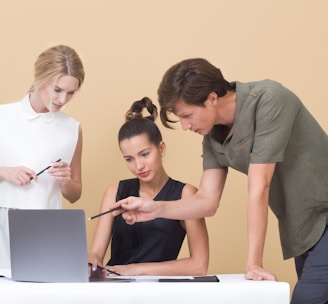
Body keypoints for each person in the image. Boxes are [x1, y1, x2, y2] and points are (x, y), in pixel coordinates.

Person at [115, 58, 328, 303]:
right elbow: (207, 201)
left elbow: (260, 186)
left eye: (187, 115)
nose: (185, 126)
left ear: (212, 98)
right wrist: (153, 209)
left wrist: (254, 263)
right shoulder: (213, 135)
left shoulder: (270, 99)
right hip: (304, 230)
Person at [88, 97, 209, 277]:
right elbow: (96, 253)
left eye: (144, 154)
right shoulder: (114, 193)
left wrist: (136, 270)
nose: (138, 166)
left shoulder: (186, 195)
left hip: (158, 292)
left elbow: (199, 265)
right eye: (129, 159)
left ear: (161, 149)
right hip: (114, 289)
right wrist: (91, 263)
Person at [0, 45, 85, 269]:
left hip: (46, 235)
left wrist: (66, 181)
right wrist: (5, 172)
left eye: (70, 93)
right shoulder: (3, 118)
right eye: (57, 89)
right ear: (40, 78)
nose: (63, 99)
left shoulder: (72, 129)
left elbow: (75, 194)